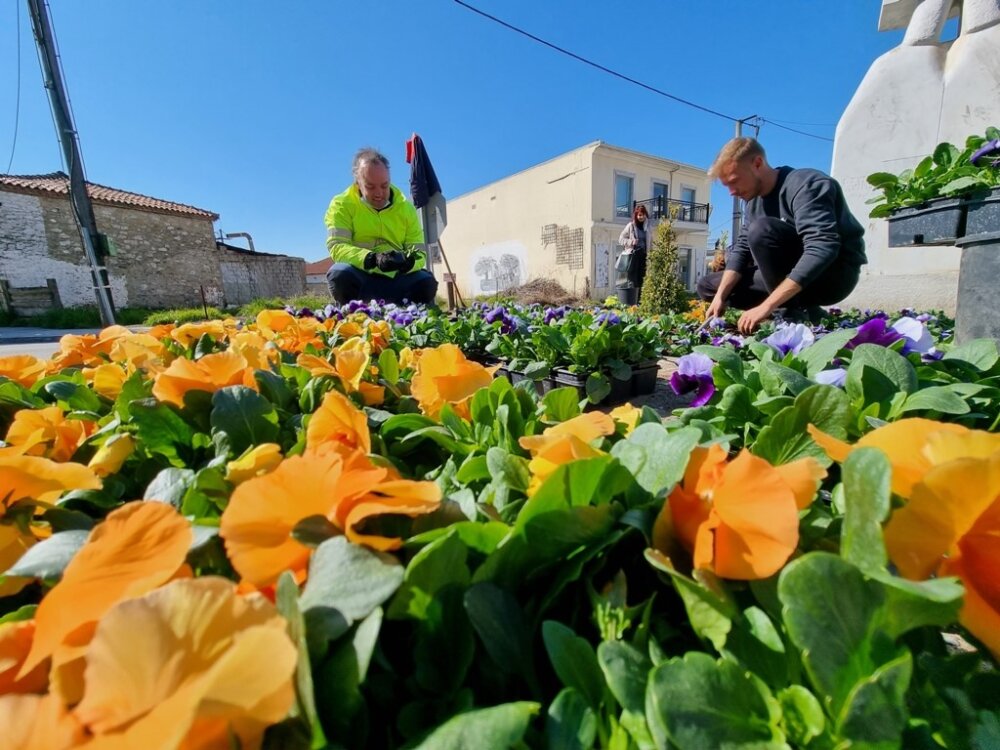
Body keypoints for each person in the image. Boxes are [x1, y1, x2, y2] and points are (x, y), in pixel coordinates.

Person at [697, 137, 867, 334]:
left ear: (757, 163)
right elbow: (742, 249)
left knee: (761, 230)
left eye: (734, 181)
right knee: (709, 286)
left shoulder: (807, 184)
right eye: (727, 186)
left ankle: (788, 317)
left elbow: (822, 247)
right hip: (789, 276)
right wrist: (720, 297)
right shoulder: (753, 202)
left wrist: (767, 306)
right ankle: (809, 311)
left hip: (833, 275)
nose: (731, 192)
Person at [324, 148, 438, 305]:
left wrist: (407, 262)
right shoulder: (341, 204)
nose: (379, 193)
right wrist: (372, 259)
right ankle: (353, 317)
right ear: (358, 184)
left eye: (384, 186)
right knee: (340, 275)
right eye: (370, 187)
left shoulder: (406, 208)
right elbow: (337, 246)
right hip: (362, 276)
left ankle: (415, 318)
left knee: (426, 282)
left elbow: (419, 251)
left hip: (399, 277)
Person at [618, 204, 649, 296]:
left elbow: (650, 243)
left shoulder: (648, 227)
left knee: (642, 279)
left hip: (644, 256)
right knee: (633, 280)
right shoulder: (631, 226)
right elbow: (621, 239)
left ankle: (640, 300)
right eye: (639, 215)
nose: (641, 217)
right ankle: (632, 300)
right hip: (633, 256)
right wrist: (631, 242)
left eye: (643, 215)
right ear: (636, 215)